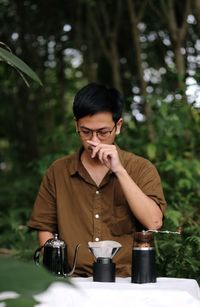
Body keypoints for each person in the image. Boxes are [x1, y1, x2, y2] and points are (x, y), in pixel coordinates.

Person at [28, 83, 167, 277]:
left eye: (103, 132)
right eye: (86, 132)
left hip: (126, 282)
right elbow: (45, 228)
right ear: (76, 124)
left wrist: (119, 170)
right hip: (72, 281)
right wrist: (55, 270)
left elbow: (153, 222)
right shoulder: (58, 171)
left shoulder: (141, 168)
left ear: (118, 126)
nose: (94, 140)